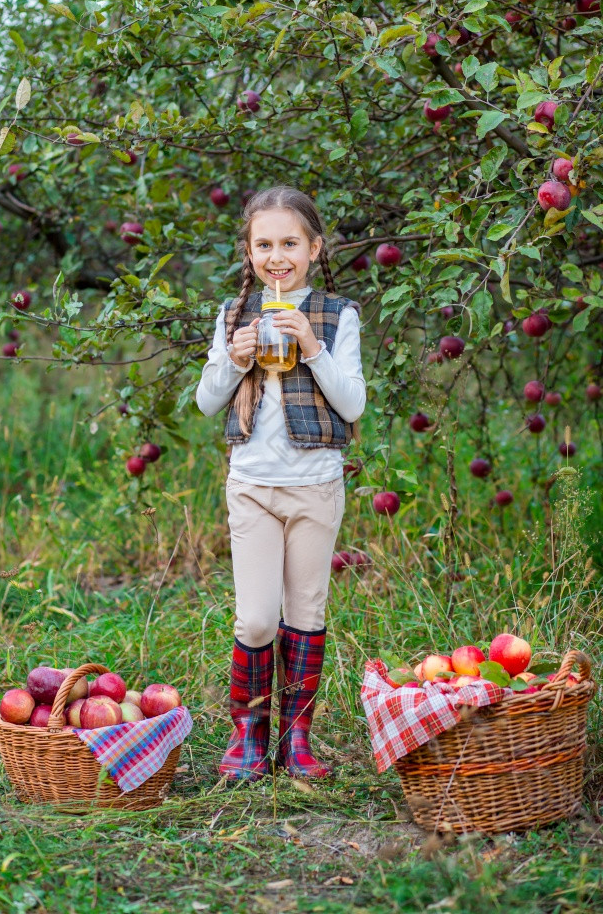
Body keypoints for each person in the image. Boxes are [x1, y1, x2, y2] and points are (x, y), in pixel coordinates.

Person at [196, 185, 366, 781]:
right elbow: (204, 401)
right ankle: (248, 735)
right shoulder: (233, 316)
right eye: (264, 243)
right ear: (249, 252)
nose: (277, 255)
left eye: (289, 243)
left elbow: (352, 404)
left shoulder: (338, 316)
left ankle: (296, 741)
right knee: (258, 619)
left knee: (306, 613)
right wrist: (235, 358)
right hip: (252, 487)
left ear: (313, 248)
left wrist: (314, 348)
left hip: (316, 486)